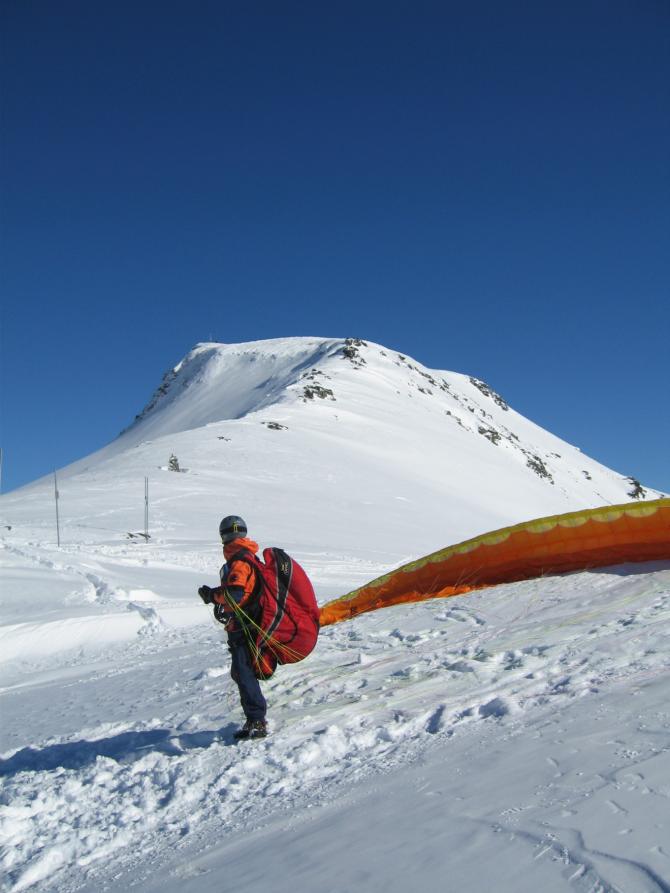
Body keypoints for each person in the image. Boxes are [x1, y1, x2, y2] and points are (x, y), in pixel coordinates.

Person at [198, 515, 268, 740]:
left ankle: (257, 720)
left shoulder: (239, 560)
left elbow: (236, 594)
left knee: (243, 672)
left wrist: (212, 596)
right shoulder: (247, 556)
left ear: (224, 536)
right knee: (241, 672)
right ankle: (253, 718)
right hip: (247, 623)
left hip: (244, 626)